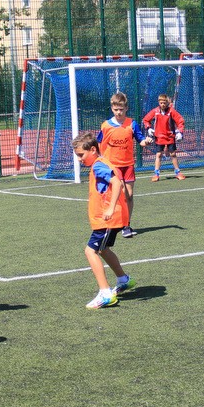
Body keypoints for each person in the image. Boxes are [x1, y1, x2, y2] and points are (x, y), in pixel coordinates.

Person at [72, 132, 136, 309]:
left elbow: (117, 183)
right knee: (103, 249)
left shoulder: (98, 166)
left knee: (90, 251)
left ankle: (105, 293)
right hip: (109, 218)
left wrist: (110, 207)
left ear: (93, 150)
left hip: (107, 219)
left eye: (81, 155)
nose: (79, 159)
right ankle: (123, 280)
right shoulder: (101, 163)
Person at [96, 92, 151, 238]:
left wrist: (146, 141)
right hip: (113, 166)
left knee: (129, 195)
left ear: (126, 108)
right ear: (112, 108)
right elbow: (100, 143)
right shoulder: (106, 126)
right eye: (116, 109)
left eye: (121, 109)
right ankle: (114, 223)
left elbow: (140, 140)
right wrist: (100, 161)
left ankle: (126, 225)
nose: (119, 112)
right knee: (119, 193)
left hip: (128, 165)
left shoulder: (132, 124)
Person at [142, 94, 187, 182]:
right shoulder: (155, 111)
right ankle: (156, 174)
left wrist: (180, 132)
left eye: (164, 103)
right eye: (161, 103)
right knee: (158, 154)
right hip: (159, 137)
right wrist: (148, 128)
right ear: (159, 102)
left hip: (170, 136)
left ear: (167, 103)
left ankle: (178, 172)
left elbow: (180, 121)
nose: (162, 104)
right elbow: (146, 119)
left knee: (173, 154)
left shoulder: (171, 111)